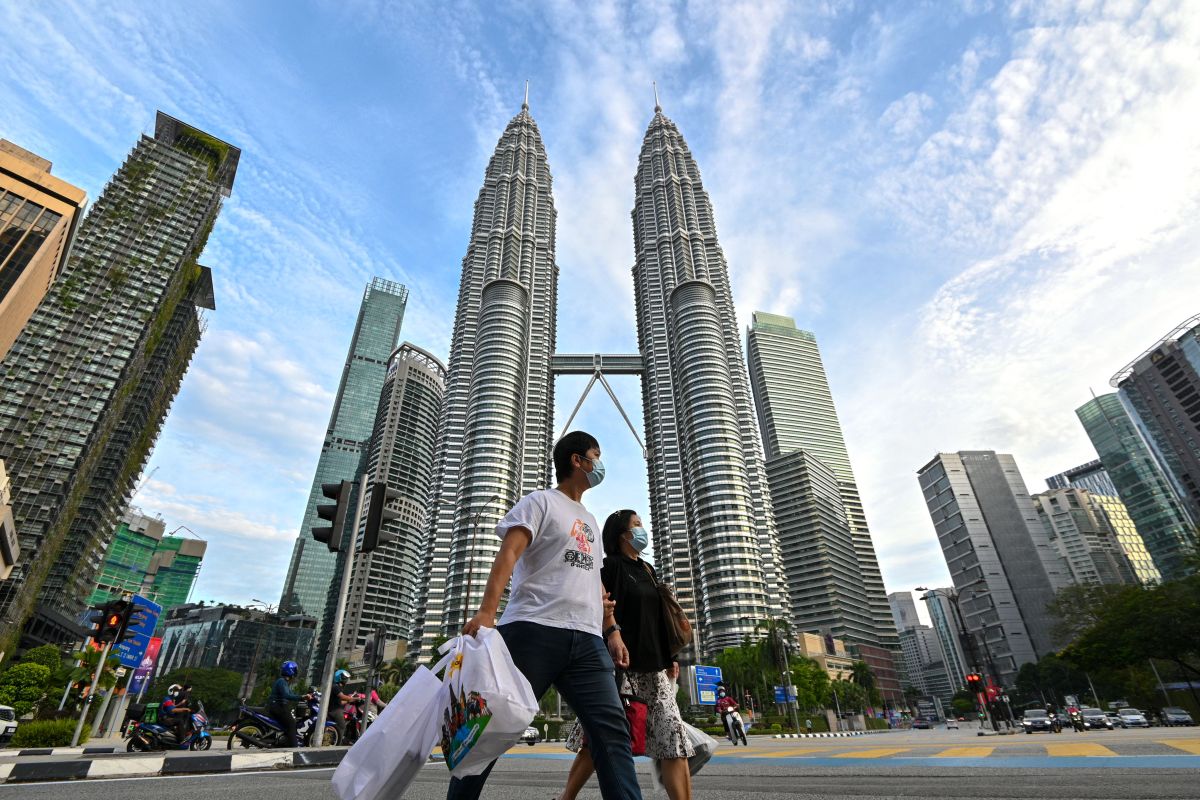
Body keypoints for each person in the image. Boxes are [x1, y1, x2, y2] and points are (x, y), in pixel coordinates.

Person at [451, 431, 642, 800]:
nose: (600, 464)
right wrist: (487, 612)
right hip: (532, 631)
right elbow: (509, 553)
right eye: (596, 455)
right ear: (577, 460)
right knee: (491, 731)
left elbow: (594, 582)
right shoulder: (539, 502)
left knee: (612, 732)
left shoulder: (589, 519)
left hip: (587, 642)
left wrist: (612, 630)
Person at [557, 509, 695, 800]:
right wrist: (613, 635)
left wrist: (670, 657)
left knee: (673, 742)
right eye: (637, 524)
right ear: (624, 534)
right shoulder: (611, 568)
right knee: (599, 741)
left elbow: (656, 620)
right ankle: (566, 797)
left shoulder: (647, 569)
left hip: (656, 670)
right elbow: (601, 608)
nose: (642, 528)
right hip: (624, 669)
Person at [269, 660, 309, 747]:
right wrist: (302, 697)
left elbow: (291, 694)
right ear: (291, 671)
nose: (296, 672)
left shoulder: (284, 682)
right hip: (278, 707)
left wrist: (303, 696)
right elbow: (287, 695)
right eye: (295, 670)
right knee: (292, 723)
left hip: (277, 706)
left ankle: (284, 741)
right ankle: (294, 748)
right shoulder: (282, 682)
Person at [332, 669, 361, 744]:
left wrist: (349, 701)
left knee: (350, 717)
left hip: (336, 708)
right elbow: (342, 696)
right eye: (344, 677)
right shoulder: (335, 687)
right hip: (335, 710)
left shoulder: (338, 687)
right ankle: (339, 742)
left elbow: (340, 702)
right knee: (342, 725)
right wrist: (353, 698)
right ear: (339, 677)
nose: (346, 679)